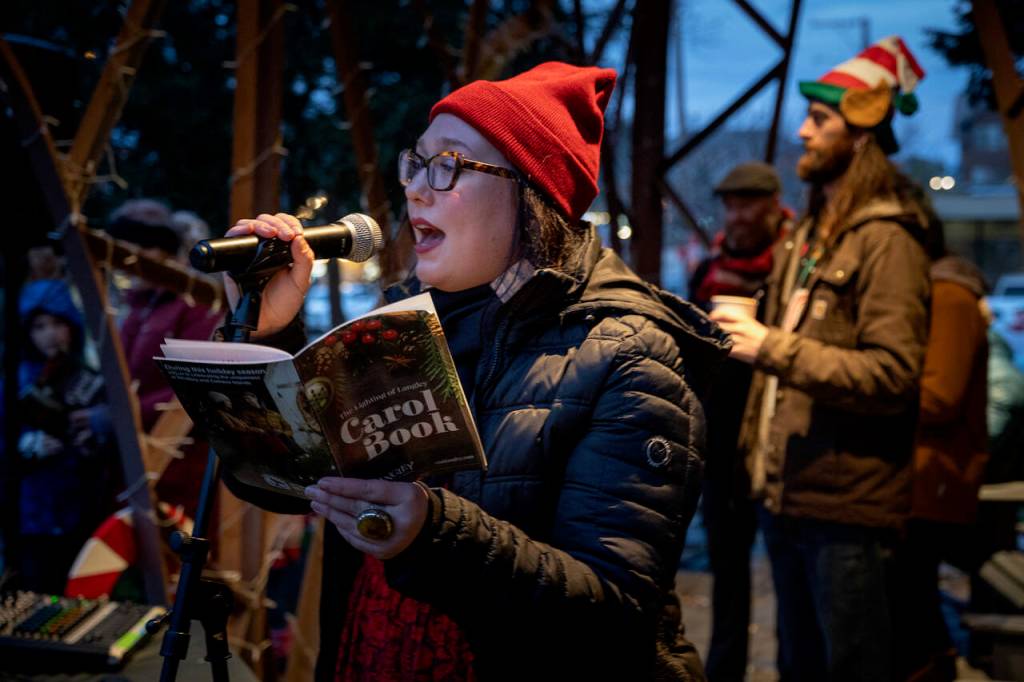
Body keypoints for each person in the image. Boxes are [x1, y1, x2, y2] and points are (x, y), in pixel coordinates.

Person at [218, 61, 728, 680]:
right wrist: (267, 337)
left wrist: (435, 533)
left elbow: (613, 616)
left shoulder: (631, 356)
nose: (416, 190)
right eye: (417, 162)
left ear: (534, 191)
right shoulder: (401, 328)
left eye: (451, 165)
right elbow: (273, 484)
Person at [711, 36, 931, 682]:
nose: (804, 133)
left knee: (851, 668)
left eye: (821, 120)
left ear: (861, 132)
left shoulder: (888, 239)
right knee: (798, 666)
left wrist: (768, 344)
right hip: (787, 495)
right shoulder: (809, 235)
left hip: (845, 509)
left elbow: (893, 373)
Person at [688, 161, 791, 682]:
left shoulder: (792, 271)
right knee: (728, 577)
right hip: (723, 448)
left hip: (779, 448)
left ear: (774, 205)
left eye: (748, 203)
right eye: (730, 204)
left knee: (791, 578)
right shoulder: (708, 270)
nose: (737, 215)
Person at [889, 217, 989, 682]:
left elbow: (939, 397)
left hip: (933, 478)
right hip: (916, 475)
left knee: (913, 607)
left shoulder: (949, 296)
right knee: (910, 604)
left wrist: (871, 389)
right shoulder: (932, 295)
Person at [106, 199, 224, 516]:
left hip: (179, 461)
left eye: (139, 254)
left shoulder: (196, 301)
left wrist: (118, 414)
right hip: (135, 457)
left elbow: (193, 380)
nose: (127, 266)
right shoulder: (138, 303)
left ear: (162, 253)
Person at [10, 280, 119, 593]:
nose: (50, 334)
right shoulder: (12, 378)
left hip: (80, 511)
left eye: (58, 323)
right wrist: (27, 445)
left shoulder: (92, 379)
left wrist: (93, 443)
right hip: (29, 513)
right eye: (39, 326)